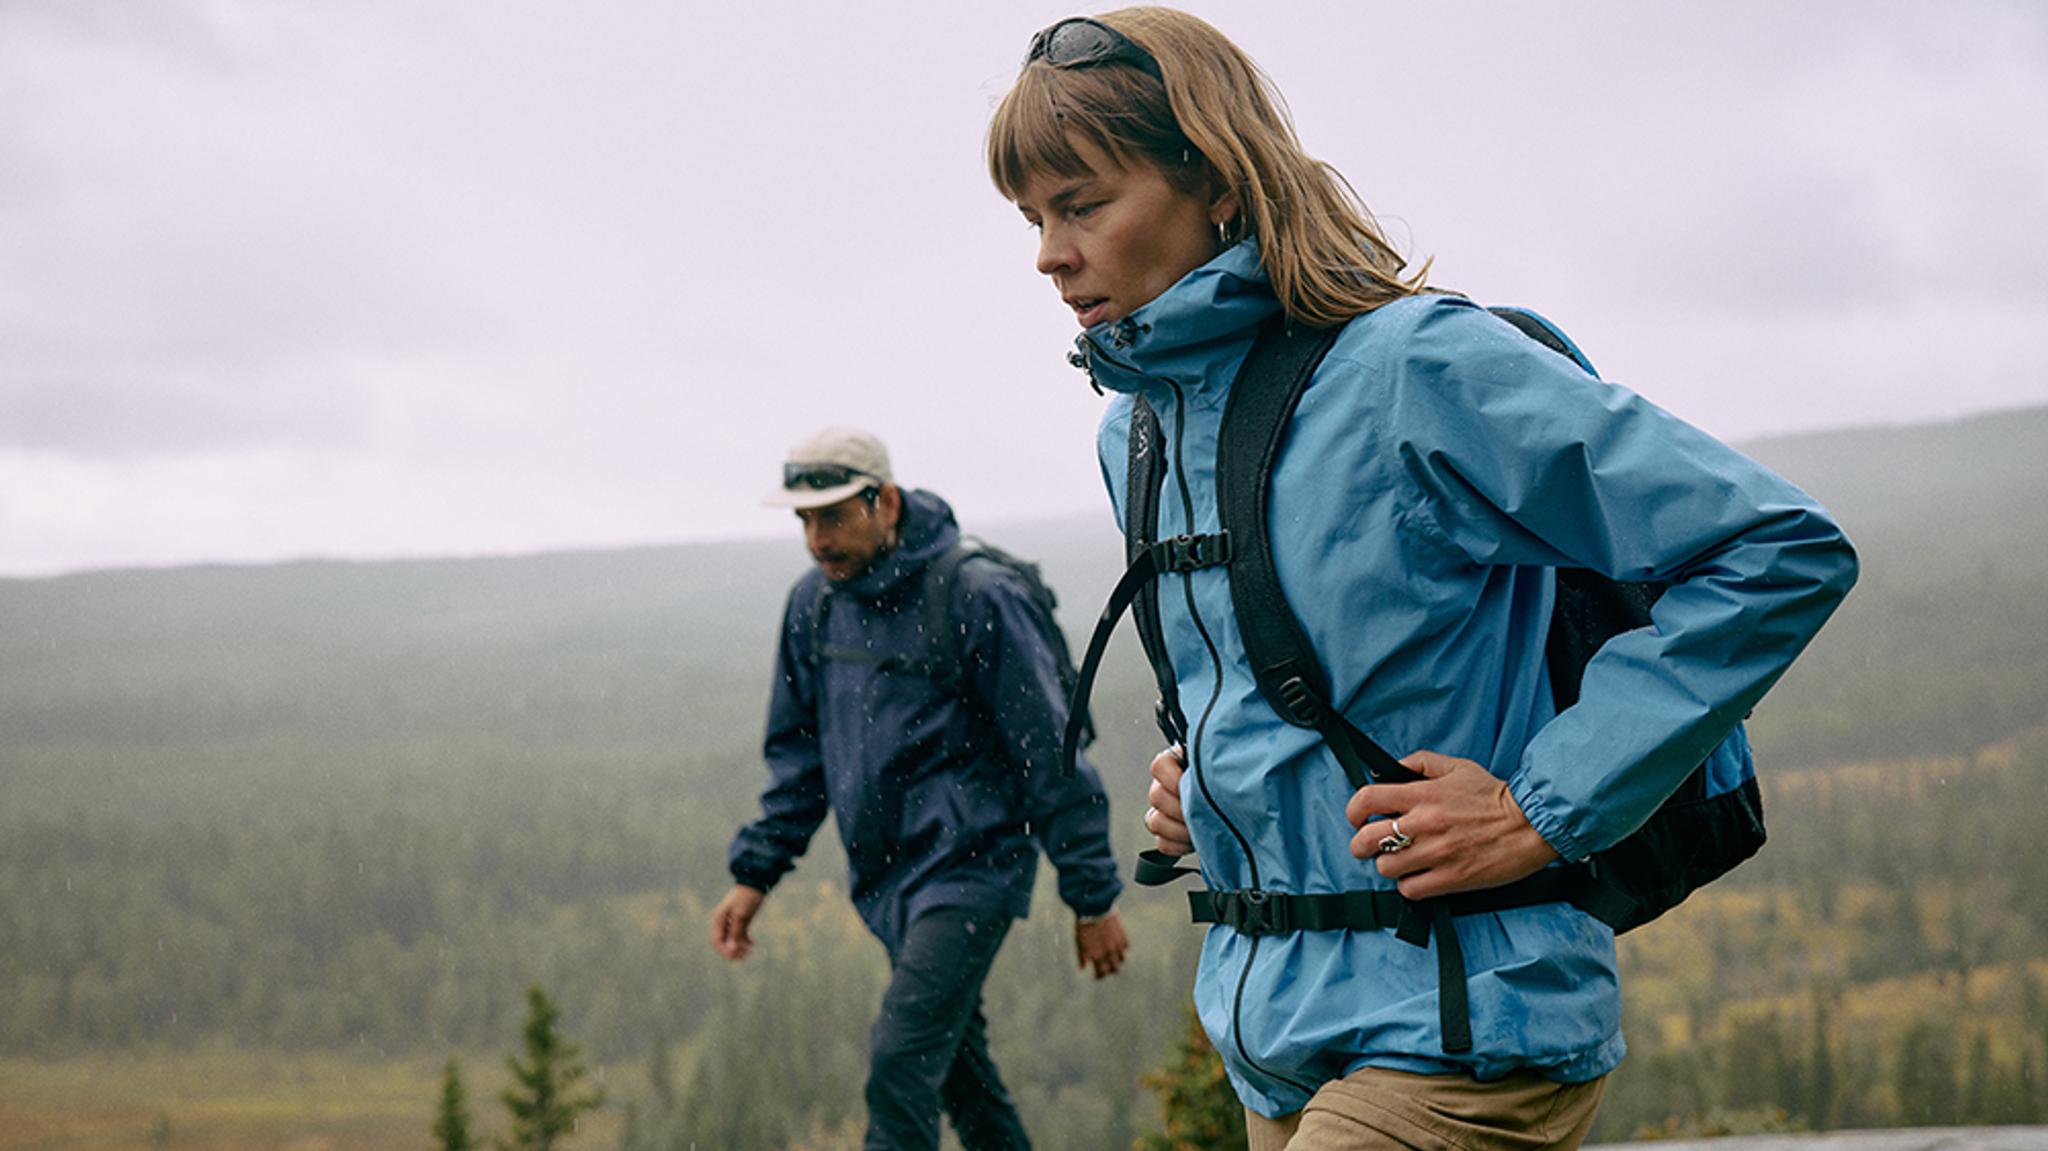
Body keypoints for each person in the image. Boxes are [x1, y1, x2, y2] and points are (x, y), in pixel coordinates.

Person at [987, 10, 1857, 1149]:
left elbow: (1775, 547)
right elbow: (1339, 665)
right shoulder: (1139, 432)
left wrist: (1540, 806)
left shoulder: (1413, 369)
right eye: (1032, 216)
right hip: (1275, 1040)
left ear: (1220, 185)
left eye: (1082, 203)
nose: (1048, 252)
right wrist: (1212, 773)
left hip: (1465, 1028)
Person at [710, 426, 1130, 1151]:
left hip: (973, 871)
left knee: (899, 1065)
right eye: (805, 520)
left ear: (887, 501)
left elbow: (1049, 751)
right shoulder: (815, 605)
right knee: (963, 1078)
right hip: (886, 878)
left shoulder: (976, 593)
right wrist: (754, 875)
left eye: (834, 515)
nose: (816, 539)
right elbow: (802, 761)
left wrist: (1091, 894)